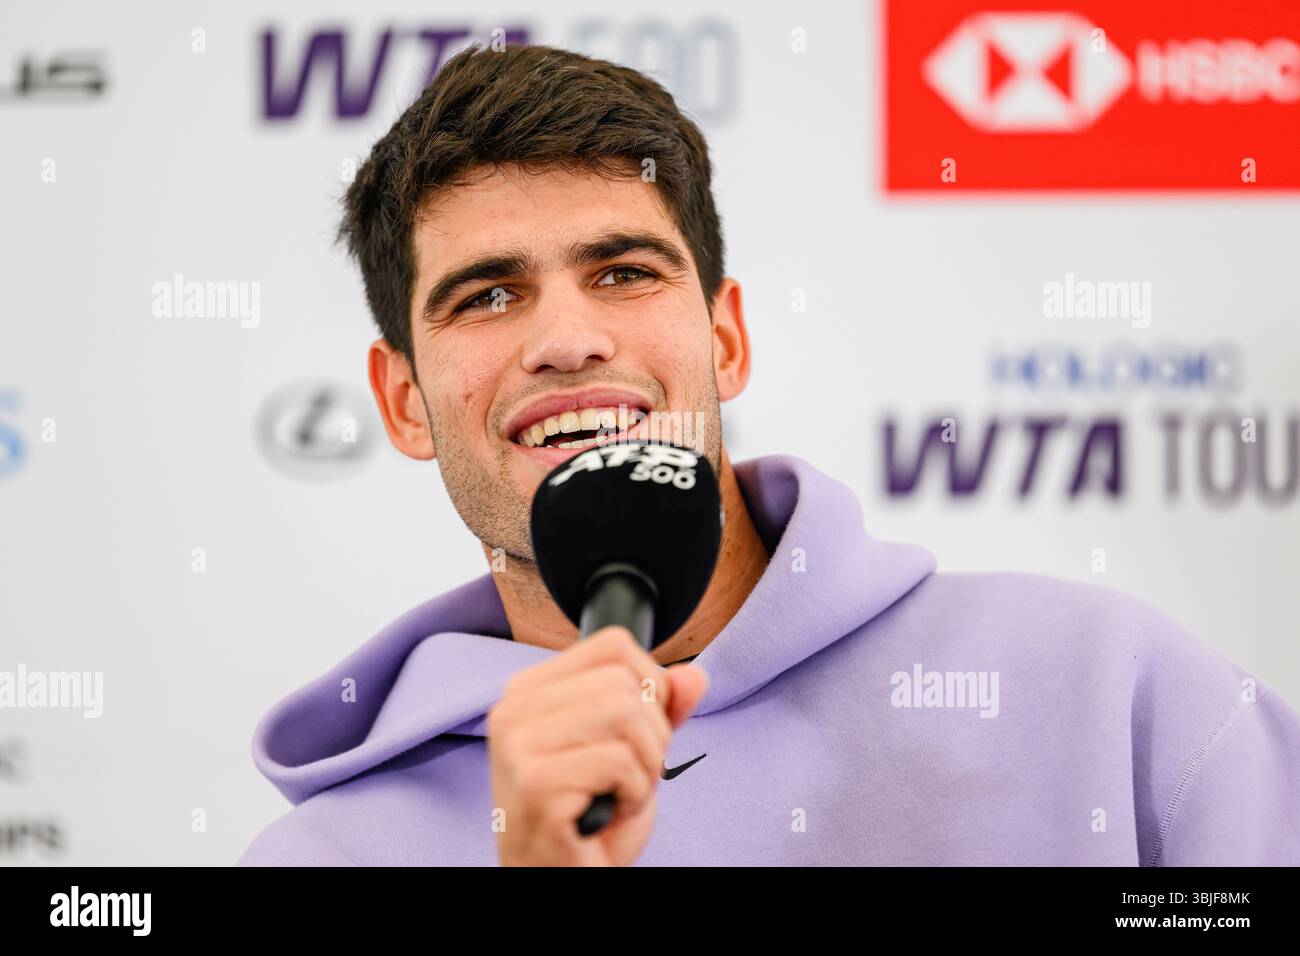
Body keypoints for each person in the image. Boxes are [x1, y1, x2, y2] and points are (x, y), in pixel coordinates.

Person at [239, 43, 1300, 866]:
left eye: (622, 272)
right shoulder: (327, 859)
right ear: (403, 399)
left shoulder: (1111, 689)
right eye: (488, 294)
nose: (566, 339)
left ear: (726, 337)